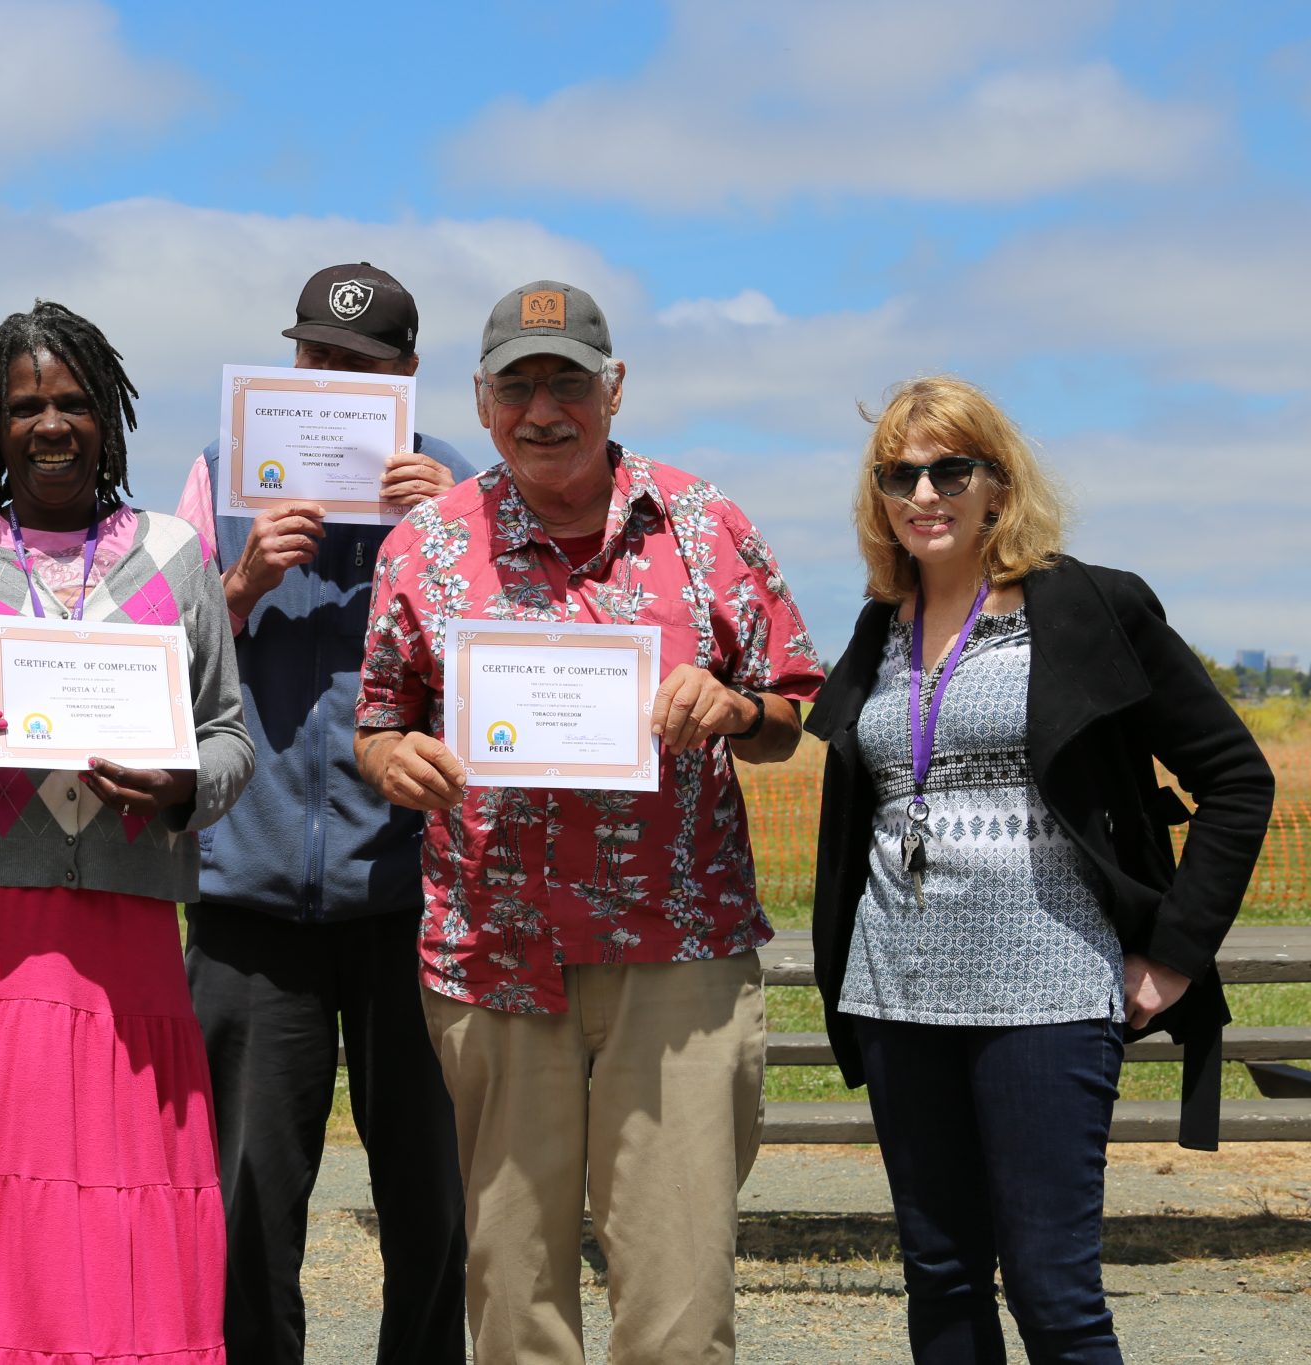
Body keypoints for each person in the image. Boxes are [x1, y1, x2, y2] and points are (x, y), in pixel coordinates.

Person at [353, 280, 824, 1364]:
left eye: (566, 380)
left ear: (613, 390)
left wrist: (737, 707)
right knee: (511, 1299)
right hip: (493, 958)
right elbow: (377, 721)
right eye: (517, 384)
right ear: (479, 401)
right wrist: (395, 759)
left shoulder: (705, 526)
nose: (542, 407)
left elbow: (793, 710)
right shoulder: (422, 548)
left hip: (678, 959)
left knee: (675, 1297)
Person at [806, 376, 1274, 1363]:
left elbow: (1235, 780)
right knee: (937, 1279)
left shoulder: (1089, 606)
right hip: (896, 997)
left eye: (948, 469)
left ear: (994, 481)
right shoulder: (875, 630)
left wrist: (1174, 956)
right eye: (899, 474)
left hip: (1044, 995)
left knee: (1049, 1291)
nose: (923, 493)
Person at [0, 301, 254, 1363]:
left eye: (73, 402)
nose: (51, 424)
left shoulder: (175, 558)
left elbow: (229, 739)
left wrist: (180, 790)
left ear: (109, 419)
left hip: (125, 928)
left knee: (133, 1185)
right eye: (25, 404)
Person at [172, 261, 472, 1364]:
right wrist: (237, 584)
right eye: (313, 356)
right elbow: (154, 656)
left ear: (402, 375)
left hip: (411, 899)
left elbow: (512, 673)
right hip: (247, 903)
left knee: (429, 1202)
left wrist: (448, 544)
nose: (328, 377)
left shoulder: (455, 485)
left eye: (356, 364)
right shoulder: (217, 474)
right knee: (246, 1203)